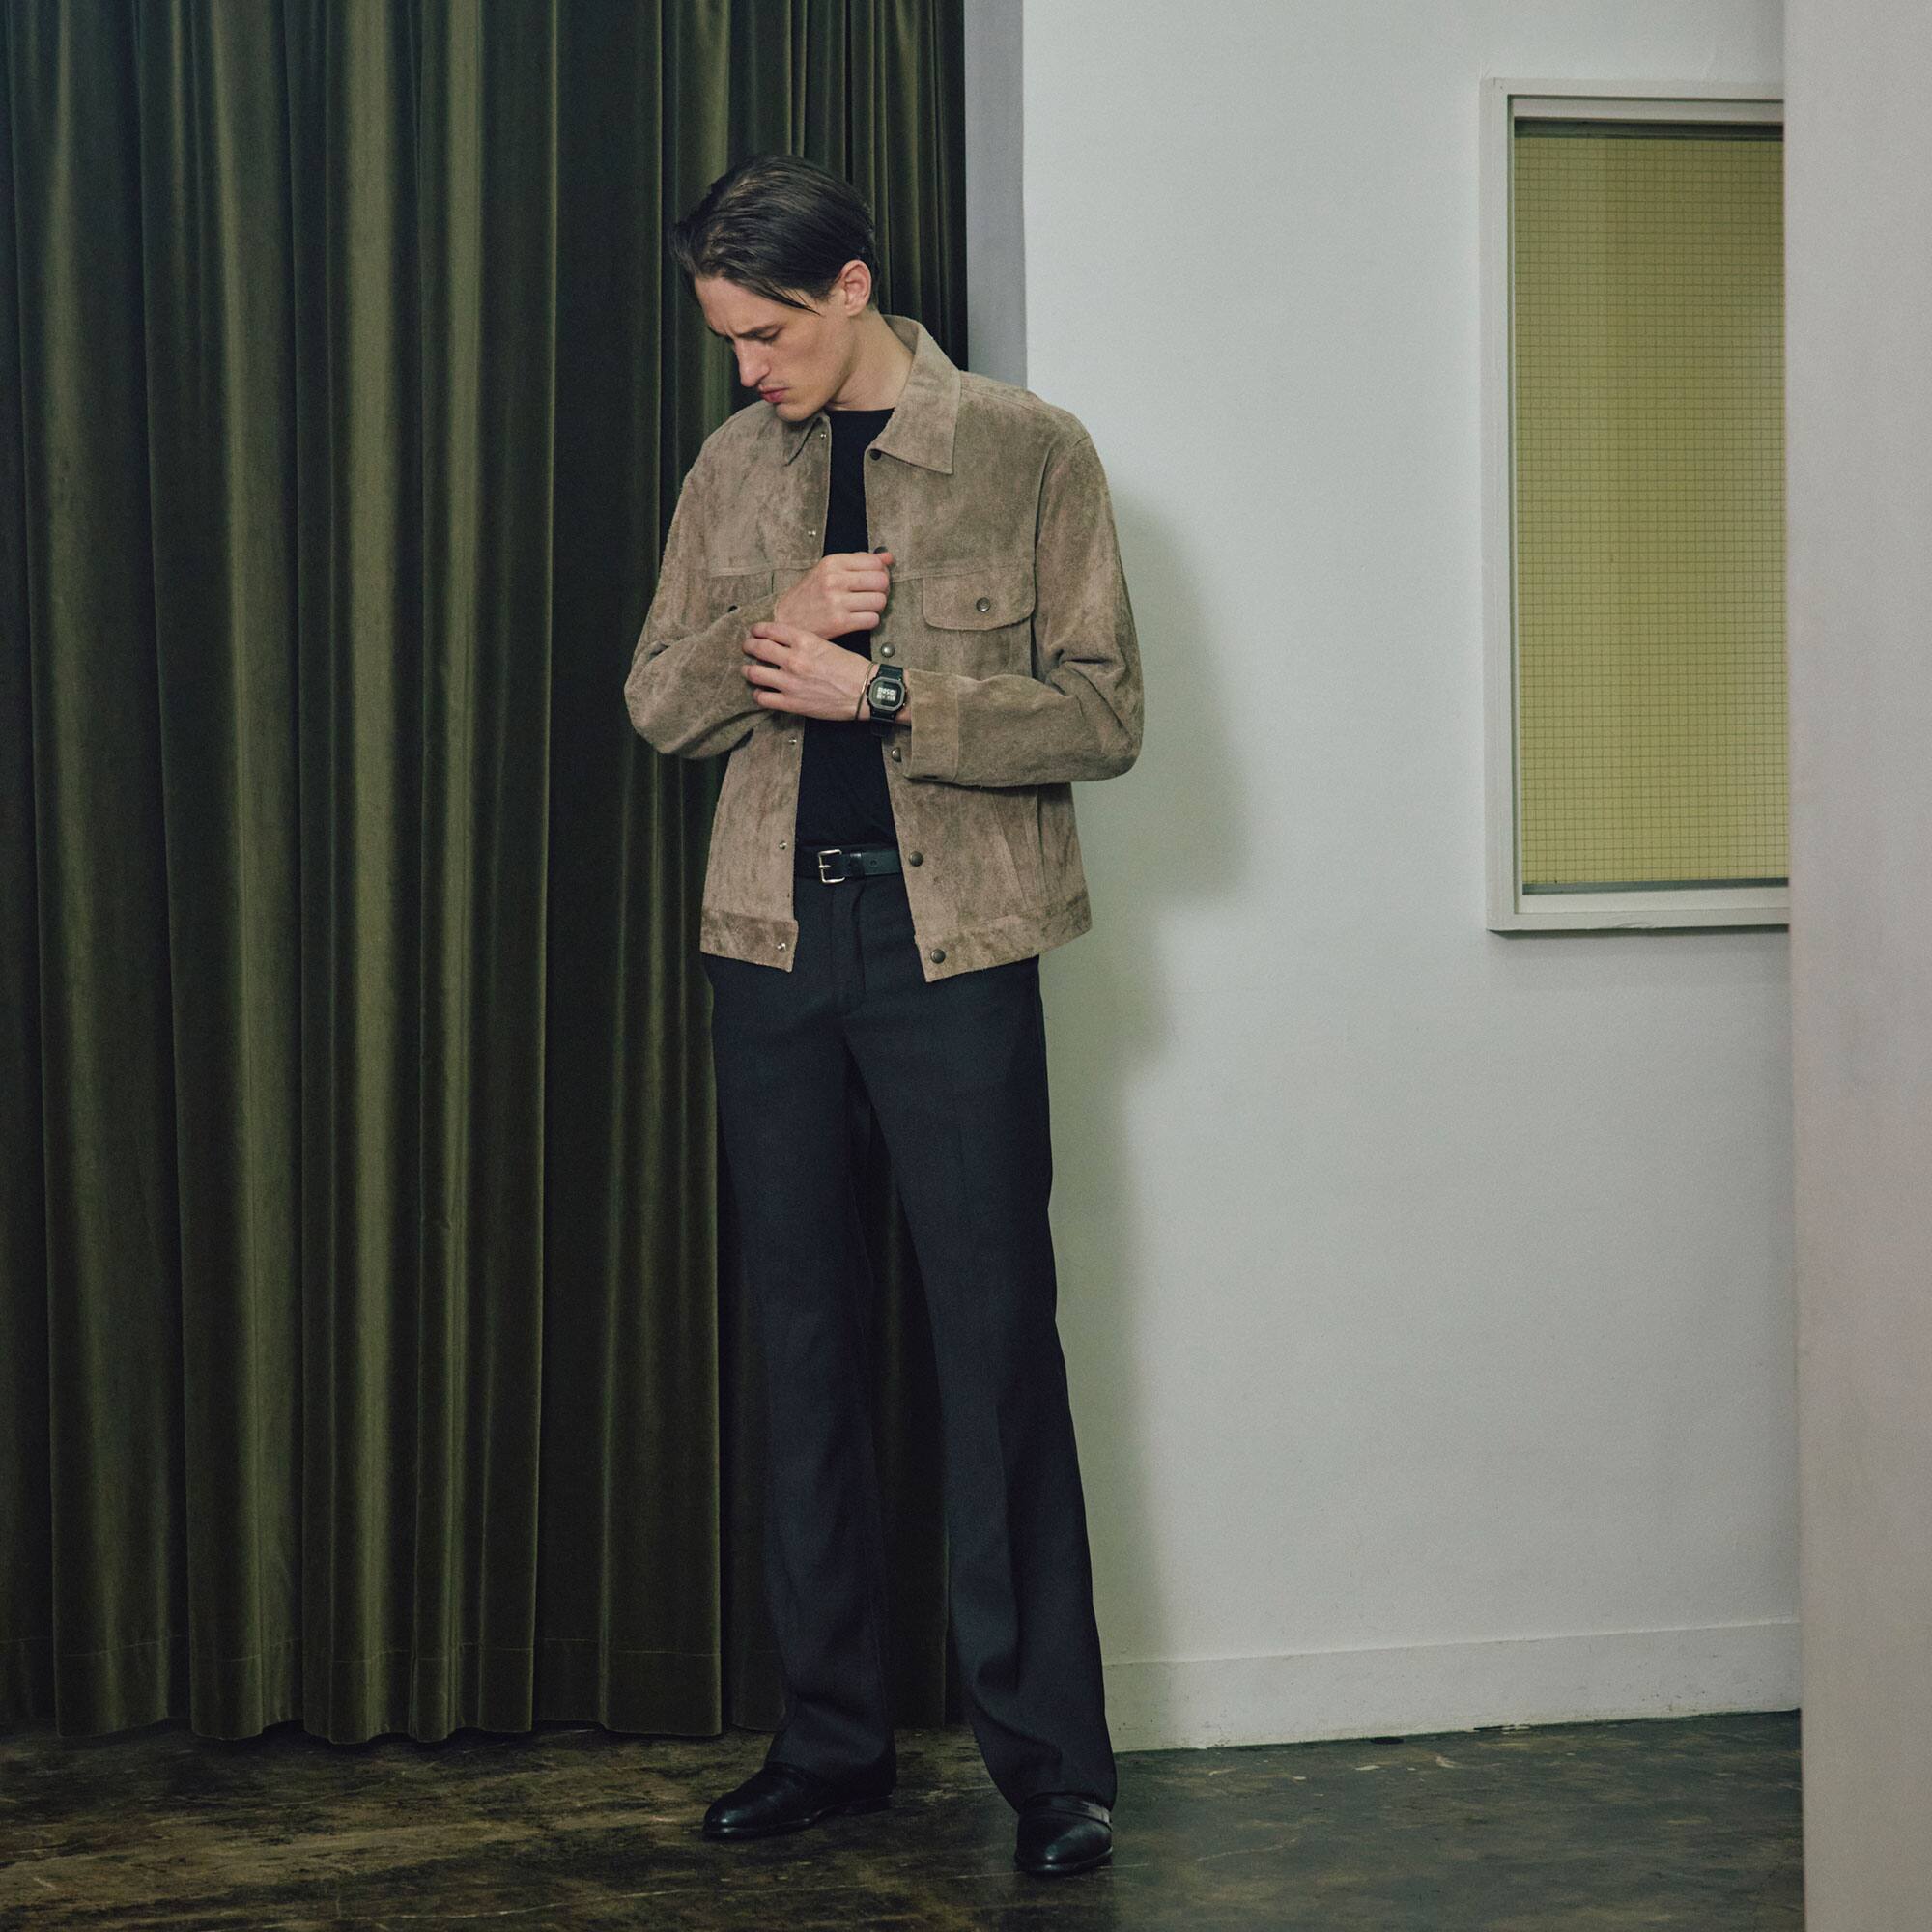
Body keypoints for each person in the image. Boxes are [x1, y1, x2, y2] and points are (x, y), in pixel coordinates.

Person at [625, 152, 1143, 1880]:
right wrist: (771, 625)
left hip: (958, 950)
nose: (748, 367)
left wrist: (891, 689)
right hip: (770, 947)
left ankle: (1052, 1771)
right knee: (804, 1347)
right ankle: (830, 1744)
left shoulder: (1029, 450)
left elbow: (1105, 715)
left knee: (995, 1348)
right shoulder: (731, 465)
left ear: (851, 287)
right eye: (727, 338)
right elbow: (658, 706)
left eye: (767, 333)